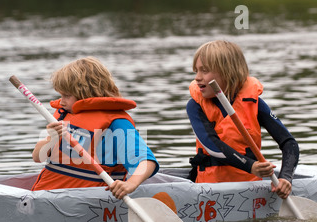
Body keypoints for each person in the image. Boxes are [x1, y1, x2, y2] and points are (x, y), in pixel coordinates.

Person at [31, 56, 159, 199]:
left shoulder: (116, 123)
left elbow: (146, 161)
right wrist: (52, 138)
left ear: (85, 93)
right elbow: (37, 157)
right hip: (48, 197)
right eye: (60, 95)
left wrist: (131, 184)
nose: (61, 102)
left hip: (89, 202)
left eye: (67, 95)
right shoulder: (64, 116)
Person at [186, 40, 299, 199]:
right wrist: (250, 165)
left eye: (204, 71)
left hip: (251, 188)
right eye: (196, 71)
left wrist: (286, 178)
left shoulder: (254, 103)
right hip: (209, 189)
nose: (197, 78)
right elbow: (212, 146)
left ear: (228, 71)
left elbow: (289, 143)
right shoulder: (194, 105)